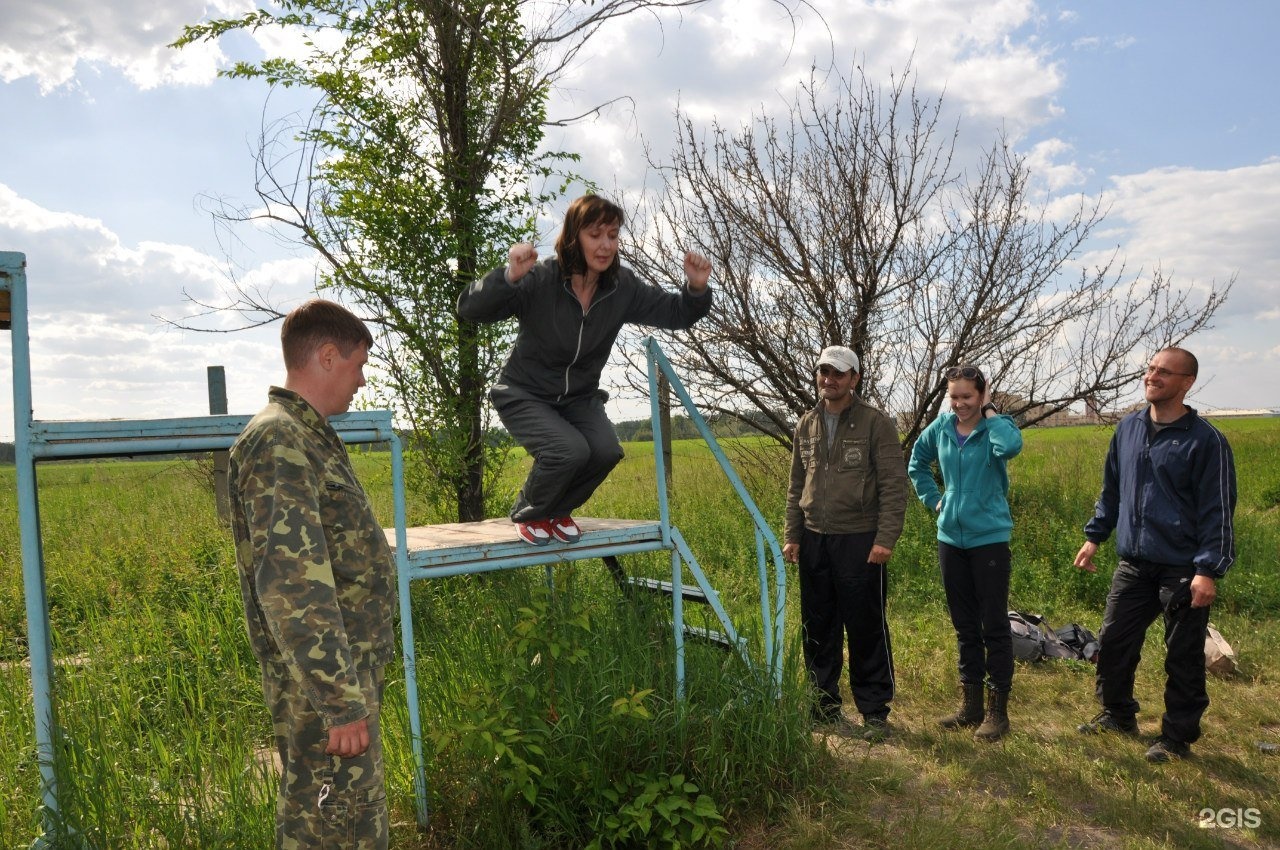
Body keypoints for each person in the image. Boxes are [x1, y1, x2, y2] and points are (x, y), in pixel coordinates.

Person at [229, 299, 397, 848]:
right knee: (332, 824)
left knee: (346, 818)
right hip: (323, 688)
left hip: (342, 674)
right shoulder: (280, 439)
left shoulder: (307, 435)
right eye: (358, 365)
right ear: (328, 356)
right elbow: (292, 584)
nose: (361, 380)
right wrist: (339, 702)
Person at [458, 193, 713, 546]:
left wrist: (696, 288)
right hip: (524, 393)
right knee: (569, 449)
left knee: (606, 450)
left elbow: (675, 313)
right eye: (596, 235)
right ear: (575, 236)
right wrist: (509, 276)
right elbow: (470, 308)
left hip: (578, 400)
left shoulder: (622, 287)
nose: (606, 245)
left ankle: (556, 510)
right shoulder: (541, 279)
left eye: (613, 235)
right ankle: (530, 511)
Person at [1073, 347, 1237, 763]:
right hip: (1134, 563)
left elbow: (1218, 510)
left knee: (1182, 655)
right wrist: (1095, 537)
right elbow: (1112, 491)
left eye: (1164, 372)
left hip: (1182, 567)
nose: (1153, 376)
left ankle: (1177, 738)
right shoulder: (1128, 429)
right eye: (1150, 369)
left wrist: (1208, 569)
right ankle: (1118, 714)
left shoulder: (1206, 441)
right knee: (1113, 642)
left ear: (1186, 383)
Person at [783, 345, 909, 741]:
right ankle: (822, 707)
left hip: (860, 539)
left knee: (865, 624)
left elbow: (893, 485)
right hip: (815, 539)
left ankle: (874, 712)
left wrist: (885, 538)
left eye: (838, 373)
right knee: (817, 625)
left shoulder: (876, 423)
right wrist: (792, 535)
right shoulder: (807, 423)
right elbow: (795, 486)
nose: (829, 379)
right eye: (823, 372)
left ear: (854, 378)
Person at [908, 365, 1023, 741]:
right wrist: (935, 500)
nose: (959, 404)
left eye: (967, 396)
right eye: (953, 396)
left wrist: (989, 412)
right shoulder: (940, 427)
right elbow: (916, 464)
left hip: (988, 538)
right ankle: (970, 706)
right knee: (964, 625)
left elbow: (1011, 447)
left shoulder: (996, 427)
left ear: (982, 394)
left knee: (993, 625)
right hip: (950, 540)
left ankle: (997, 712)